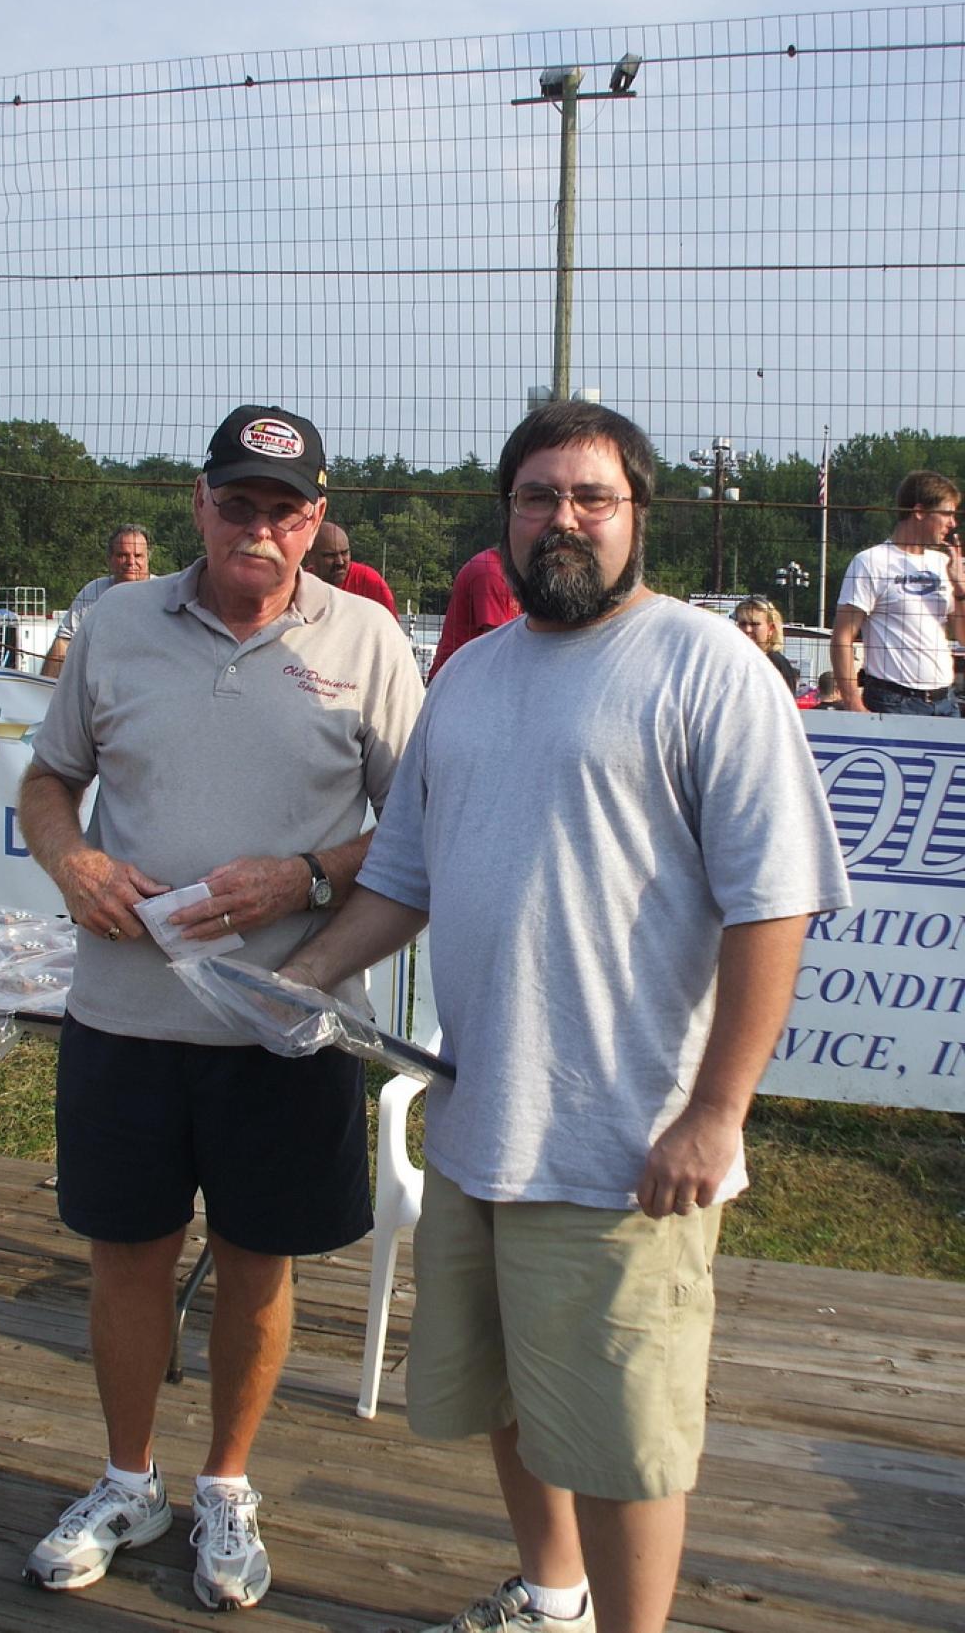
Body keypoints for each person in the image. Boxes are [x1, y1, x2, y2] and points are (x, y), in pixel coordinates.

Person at [280, 399, 850, 1633]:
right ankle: (551, 1597)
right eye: (537, 495)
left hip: (626, 1144)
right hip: (480, 1122)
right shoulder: (468, 676)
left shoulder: (709, 668)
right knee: (509, 1397)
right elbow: (403, 876)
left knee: (622, 1438)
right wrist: (304, 973)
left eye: (592, 496)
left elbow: (773, 903)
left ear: (638, 514)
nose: (563, 518)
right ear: (506, 515)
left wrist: (714, 1112)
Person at [15, 404, 424, 1612]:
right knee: (126, 1256)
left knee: (257, 1261)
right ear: (197, 503)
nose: (258, 527)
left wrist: (304, 878)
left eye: (282, 510)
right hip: (124, 1015)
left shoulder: (365, 635)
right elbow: (47, 780)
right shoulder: (116, 622)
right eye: (236, 502)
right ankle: (125, 1477)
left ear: (316, 516)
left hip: (284, 1026)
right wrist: (74, 862)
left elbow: (418, 824)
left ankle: (226, 1482)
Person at [830, 470, 965, 716]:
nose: (953, 523)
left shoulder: (943, 563)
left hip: (945, 701)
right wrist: (853, 704)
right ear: (919, 512)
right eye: (947, 514)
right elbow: (842, 636)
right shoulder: (871, 562)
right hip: (893, 701)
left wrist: (960, 588)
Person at [40, 524, 152, 677]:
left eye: (138, 555)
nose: (131, 562)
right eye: (122, 555)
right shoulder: (93, 591)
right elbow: (63, 642)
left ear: (147, 558)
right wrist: (44, 687)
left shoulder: (164, 593)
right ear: (110, 559)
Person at [426, 546, 520, 681]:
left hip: (473, 675)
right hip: (457, 680)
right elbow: (499, 645)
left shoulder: (513, 574)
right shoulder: (490, 572)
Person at [304, 520, 399, 617]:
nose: (340, 562)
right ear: (310, 557)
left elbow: (391, 624)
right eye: (330, 555)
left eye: (344, 553)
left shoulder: (369, 581)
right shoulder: (302, 586)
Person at [733, 595, 798, 694]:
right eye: (743, 624)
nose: (747, 629)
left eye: (754, 624)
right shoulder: (734, 659)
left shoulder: (776, 662)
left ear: (770, 629)